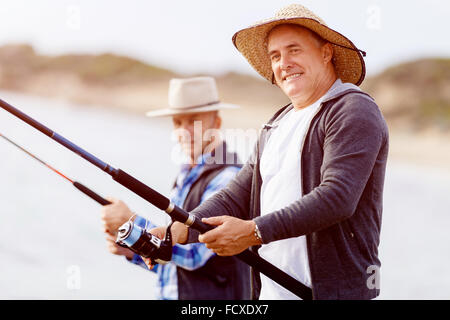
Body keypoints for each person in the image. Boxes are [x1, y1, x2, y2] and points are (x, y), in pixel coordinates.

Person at [158, 4, 389, 300]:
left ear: (326, 53)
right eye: (275, 56)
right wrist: (176, 230)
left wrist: (253, 232)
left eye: (294, 50)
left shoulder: (353, 109)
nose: (284, 63)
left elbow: (337, 197)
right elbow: (236, 195)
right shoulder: (277, 122)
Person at [101, 76, 251, 300]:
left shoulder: (229, 177)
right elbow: (173, 265)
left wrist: (132, 223)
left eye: (194, 121)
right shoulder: (184, 176)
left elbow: (193, 254)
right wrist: (133, 251)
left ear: (216, 123)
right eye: (178, 122)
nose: (185, 130)